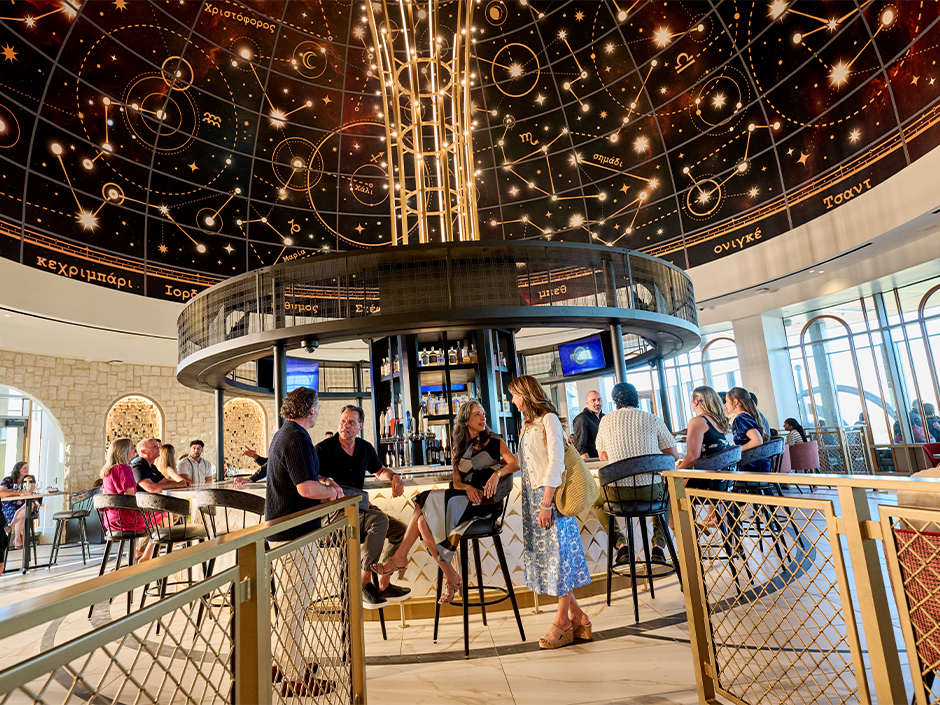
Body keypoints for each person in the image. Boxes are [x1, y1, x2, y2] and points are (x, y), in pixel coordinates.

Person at [371, 401, 519, 605]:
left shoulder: (494, 441)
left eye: (483, 413)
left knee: (423, 499)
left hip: (486, 503)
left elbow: (515, 464)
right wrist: (466, 488)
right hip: (464, 499)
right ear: (466, 420)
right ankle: (451, 575)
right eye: (477, 414)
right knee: (422, 522)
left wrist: (497, 474)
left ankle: (400, 558)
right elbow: (457, 483)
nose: (483, 418)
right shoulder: (459, 447)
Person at [265, 387, 338, 698]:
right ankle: (295, 678)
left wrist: (323, 482)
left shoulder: (286, 433)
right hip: (293, 534)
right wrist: (331, 493)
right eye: (317, 407)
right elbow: (306, 489)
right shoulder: (296, 437)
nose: (318, 412)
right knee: (294, 606)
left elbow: (303, 478)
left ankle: (283, 662)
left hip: (285, 532)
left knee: (289, 604)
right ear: (311, 410)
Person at [508, 375, 591, 649]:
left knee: (560, 558)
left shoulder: (549, 420)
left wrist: (546, 503)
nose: (512, 401)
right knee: (551, 559)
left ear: (526, 394)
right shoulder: (528, 424)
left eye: (514, 395)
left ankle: (562, 621)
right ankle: (578, 616)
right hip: (533, 499)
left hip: (550, 498)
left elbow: (556, 462)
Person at [316, 405, 411, 608]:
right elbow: (311, 476)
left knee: (402, 531)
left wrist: (394, 476)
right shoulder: (324, 449)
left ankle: (384, 583)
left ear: (360, 426)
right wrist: (326, 482)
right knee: (379, 520)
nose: (345, 425)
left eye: (351, 422)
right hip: (331, 514)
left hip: (358, 508)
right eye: (343, 421)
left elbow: (380, 471)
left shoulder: (365, 448)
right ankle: (364, 582)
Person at [593, 382, 679, 566]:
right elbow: (673, 455)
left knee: (597, 502)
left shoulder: (605, 420)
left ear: (615, 402)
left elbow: (603, 456)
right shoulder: (652, 418)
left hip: (617, 494)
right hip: (650, 492)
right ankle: (658, 547)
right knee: (666, 496)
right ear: (637, 399)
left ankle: (621, 546)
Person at [675, 386, 732, 530]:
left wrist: (677, 469)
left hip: (707, 482)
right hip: (724, 481)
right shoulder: (718, 421)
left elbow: (692, 457)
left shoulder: (697, 421)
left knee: (668, 488)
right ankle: (711, 521)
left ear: (696, 402)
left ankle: (684, 536)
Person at [100, 437, 155, 561]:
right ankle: (146, 555)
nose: (134, 449)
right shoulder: (123, 469)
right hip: (126, 520)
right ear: (123, 451)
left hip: (110, 521)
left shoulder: (108, 471)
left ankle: (143, 554)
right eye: (131, 447)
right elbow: (130, 498)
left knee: (160, 519)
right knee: (164, 515)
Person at [725, 388, 768, 472]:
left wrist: (736, 451)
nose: (725, 405)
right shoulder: (746, 416)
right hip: (757, 464)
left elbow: (757, 441)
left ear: (735, 401)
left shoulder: (740, 418)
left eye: (726, 401)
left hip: (752, 466)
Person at [0, 462, 33, 550]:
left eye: (28, 468)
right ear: (18, 469)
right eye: (24, 468)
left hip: (24, 505)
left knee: (30, 505)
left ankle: (11, 527)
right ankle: (17, 539)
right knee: (23, 515)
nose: (27, 470)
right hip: (10, 506)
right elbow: (1, 494)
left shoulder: (28, 480)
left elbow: (32, 492)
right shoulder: (8, 480)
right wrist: (18, 493)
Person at [572, 390, 604, 459]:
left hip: (606, 460)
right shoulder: (581, 419)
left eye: (599, 399)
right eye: (593, 400)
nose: (597, 403)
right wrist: (589, 464)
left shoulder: (605, 418)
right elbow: (580, 447)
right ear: (587, 402)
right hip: (594, 461)